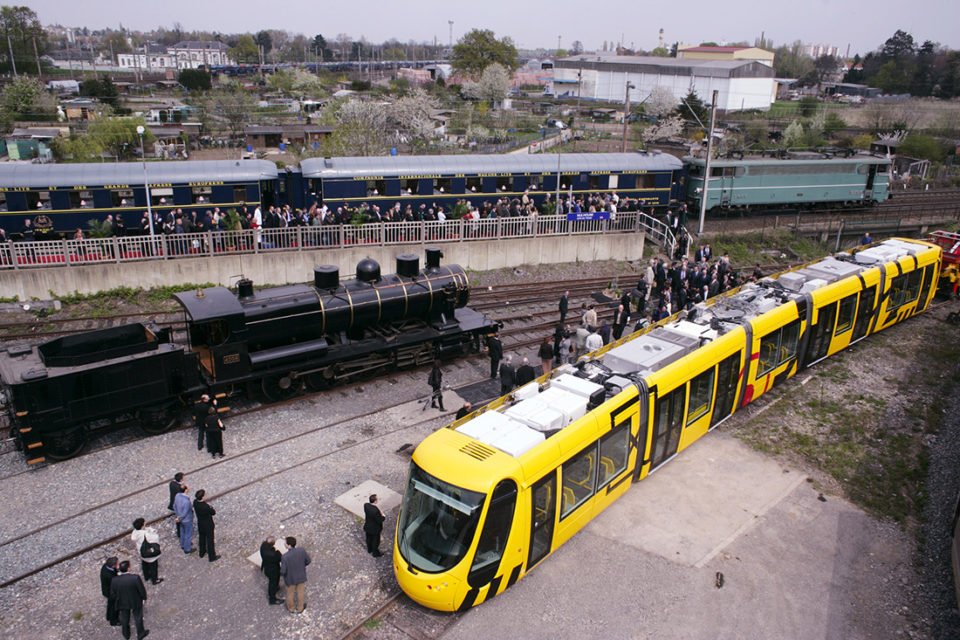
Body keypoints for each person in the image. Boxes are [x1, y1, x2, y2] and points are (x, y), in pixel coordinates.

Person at [110, 560, 149, 640]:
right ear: (128, 569)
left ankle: (126, 634)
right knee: (138, 617)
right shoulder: (135, 578)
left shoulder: (114, 580)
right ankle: (140, 633)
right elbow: (141, 590)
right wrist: (144, 598)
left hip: (122, 601)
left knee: (125, 618)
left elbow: (113, 593)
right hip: (135, 600)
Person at [280, 536, 311, 614]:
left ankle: (291, 608)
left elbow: (283, 571)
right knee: (300, 592)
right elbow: (308, 561)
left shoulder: (285, 557)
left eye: (285, 543)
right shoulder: (301, 551)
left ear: (288, 545)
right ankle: (300, 608)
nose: (284, 544)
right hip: (301, 575)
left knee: (290, 593)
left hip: (290, 578)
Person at [130, 518, 163, 585]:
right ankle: (155, 580)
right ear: (142, 526)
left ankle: (146, 576)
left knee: (144, 564)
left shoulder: (135, 532)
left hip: (142, 552)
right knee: (153, 567)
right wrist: (153, 531)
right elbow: (155, 538)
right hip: (150, 554)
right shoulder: (145, 534)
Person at [193, 489, 219, 561]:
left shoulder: (195, 502)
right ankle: (212, 557)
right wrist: (211, 508)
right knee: (210, 540)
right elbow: (213, 512)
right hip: (208, 524)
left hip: (200, 523)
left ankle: (202, 552)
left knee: (202, 538)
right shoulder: (205, 506)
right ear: (203, 497)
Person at [260, 536, 284, 605]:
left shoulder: (263, 546)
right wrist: (277, 551)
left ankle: (275, 588)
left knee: (273, 582)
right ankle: (272, 599)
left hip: (266, 567)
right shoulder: (273, 554)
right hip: (273, 570)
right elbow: (280, 557)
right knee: (273, 583)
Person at [173, 484, 194, 553]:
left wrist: (177, 515)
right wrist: (179, 518)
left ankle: (182, 544)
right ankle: (187, 549)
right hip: (187, 519)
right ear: (186, 490)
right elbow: (185, 512)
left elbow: (174, 506)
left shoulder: (177, 496)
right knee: (188, 534)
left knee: (182, 531)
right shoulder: (187, 502)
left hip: (180, 518)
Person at [100, 556, 120, 627]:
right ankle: (114, 621)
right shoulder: (109, 575)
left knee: (110, 605)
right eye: (117, 564)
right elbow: (116, 581)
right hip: (111, 592)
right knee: (114, 607)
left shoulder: (105, 567)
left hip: (107, 590)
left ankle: (108, 616)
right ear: (113, 566)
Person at [167, 472, 184, 537]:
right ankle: (180, 533)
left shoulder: (172, 483)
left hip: (173, 502)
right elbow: (182, 493)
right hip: (177, 505)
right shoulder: (179, 488)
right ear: (180, 480)